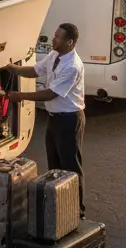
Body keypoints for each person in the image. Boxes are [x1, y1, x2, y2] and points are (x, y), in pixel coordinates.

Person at [5, 22, 86, 217]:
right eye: (55, 35)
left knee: (70, 166)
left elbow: (51, 94)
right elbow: (35, 70)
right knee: (55, 164)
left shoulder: (72, 66)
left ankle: (77, 210)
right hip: (54, 118)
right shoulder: (54, 55)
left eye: (58, 37)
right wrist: (12, 68)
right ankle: (60, 204)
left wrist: (21, 96)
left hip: (69, 120)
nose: (53, 39)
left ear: (70, 42)